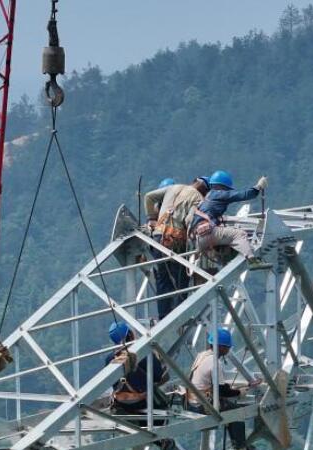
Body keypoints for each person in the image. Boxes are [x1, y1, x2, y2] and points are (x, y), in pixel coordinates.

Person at [187, 328, 259, 450]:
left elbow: (217, 385)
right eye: (227, 347)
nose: (228, 350)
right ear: (221, 347)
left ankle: (239, 443)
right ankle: (241, 449)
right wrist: (239, 392)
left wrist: (242, 387)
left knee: (229, 408)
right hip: (203, 405)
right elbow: (222, 391)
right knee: (237, 412)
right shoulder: (215, 363)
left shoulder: (202, 356)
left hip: (193, 400)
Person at [144, 177, 210, 319]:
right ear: (205, 191)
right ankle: (179, 318)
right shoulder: (198, 198)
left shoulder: (174, 188)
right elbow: (189, 220)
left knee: (162, 281)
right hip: (174, 242)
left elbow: (148, 196)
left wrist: (152, 218)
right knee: (181, 280)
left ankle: (163, 318)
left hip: (157, 239)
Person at [189, 170, 268, 267]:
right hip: (205, 234)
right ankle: (253, 261)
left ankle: (224, 262)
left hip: (196, 238)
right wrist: (258, 187)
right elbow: (244, 195)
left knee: (225, 235)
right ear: (223, 186)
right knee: (239, 234)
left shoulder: (207, 197)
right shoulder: (219, 194)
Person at [105, 321, 168, 415]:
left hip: (123, 403)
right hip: (144, 402)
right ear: (130, 335)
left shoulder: (110, 359)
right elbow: (158, 376)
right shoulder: (143, 355)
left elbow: (112, 382)